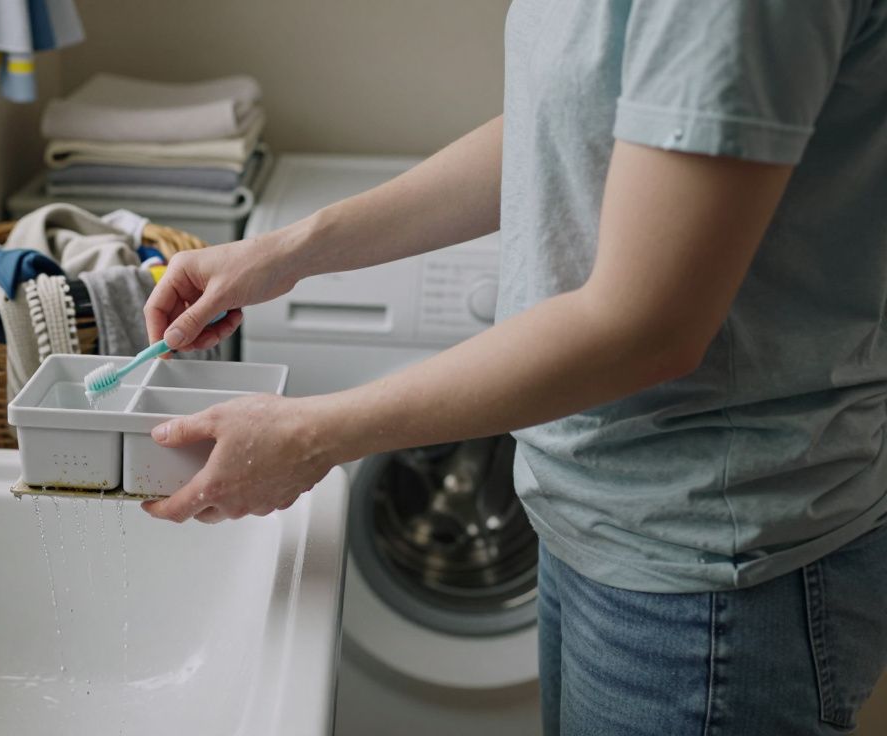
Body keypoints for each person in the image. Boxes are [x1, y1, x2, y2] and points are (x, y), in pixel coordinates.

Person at [138, 1, 887, 734]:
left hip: (715, 566)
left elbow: (645, 327)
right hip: (585, 509)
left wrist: (313, 434)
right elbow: (562, 122)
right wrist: (288, 251)